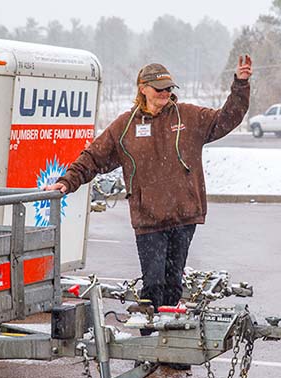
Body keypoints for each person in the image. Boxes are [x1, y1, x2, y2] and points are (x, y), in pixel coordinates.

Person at [45, 55, 253, 324]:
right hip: (149, 219)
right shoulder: (125, 126)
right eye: (159, 88)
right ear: (143, 88)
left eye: (169, 88)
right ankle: (150, 340)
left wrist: (241, 84)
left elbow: (228, 118)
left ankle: (171, 348)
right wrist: (67, 181)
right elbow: (93, 158)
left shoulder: (189, 117)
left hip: (183, 216)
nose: (165, 93)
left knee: (173, 284)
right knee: (153, 285)